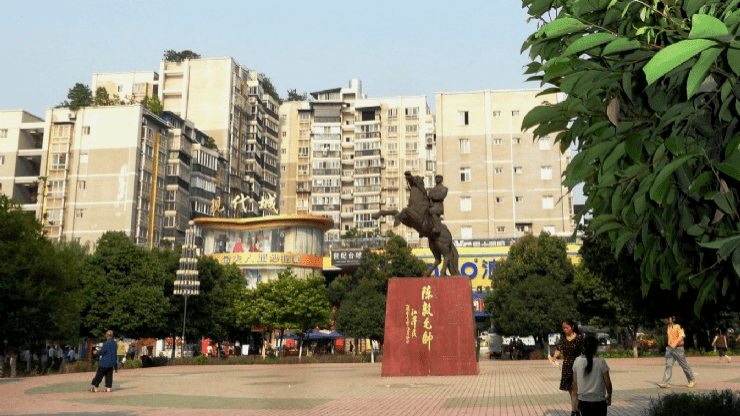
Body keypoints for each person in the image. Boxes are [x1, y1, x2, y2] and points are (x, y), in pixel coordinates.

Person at [549, 318, 584, 416]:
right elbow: (559, 349)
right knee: (571, 390)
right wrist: (555, 357)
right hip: (567, 367)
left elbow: (584, 351)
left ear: (572, 327)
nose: (565, 330)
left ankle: (574, 411)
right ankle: (576, 410)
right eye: (563, 328)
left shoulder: (579, 337)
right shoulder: (563, 338)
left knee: (575, 391)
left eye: (567, 327)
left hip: (577, 366)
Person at [572, 335, 612, 416]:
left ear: (583, 346)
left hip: (583, 401)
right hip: (599, 402)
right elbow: (608, 384)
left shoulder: (577, 361)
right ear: (596, 347)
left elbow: (575, 384)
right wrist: (609, 396)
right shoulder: (601, 362)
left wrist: (576, 400)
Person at [658, 315, 697, 388]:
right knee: (668, 365)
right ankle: (665, 382)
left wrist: (675, 343)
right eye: (668, 318)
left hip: (678, 349)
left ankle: (692, 380)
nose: (669, 319)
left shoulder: (678, 326)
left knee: (684, 365)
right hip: (669, 349)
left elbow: (682, 335)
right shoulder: (668, 327)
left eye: (671, 318)